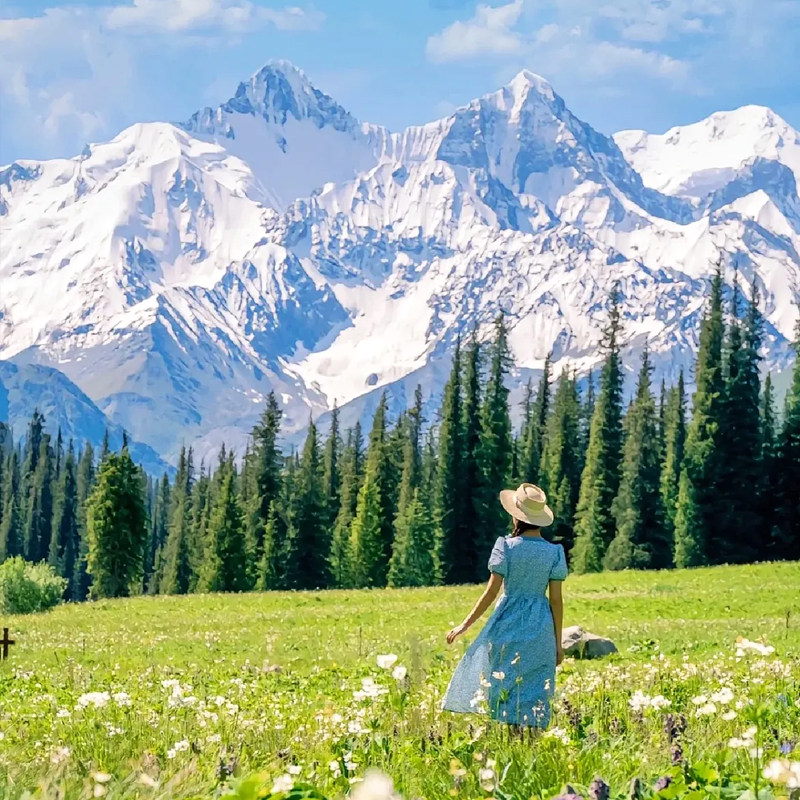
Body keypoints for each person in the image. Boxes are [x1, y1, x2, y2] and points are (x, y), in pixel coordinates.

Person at [442, 483, 567, 731]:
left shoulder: (506, 547)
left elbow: (491, 592)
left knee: (505, 684)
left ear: (516, 515)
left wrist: (465, 624)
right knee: (535, 688)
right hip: (540, 627)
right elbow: (555, 600)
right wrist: (558, 643)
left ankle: (510, 741)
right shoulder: (554, 553)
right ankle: (530, 745)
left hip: (507, 623)